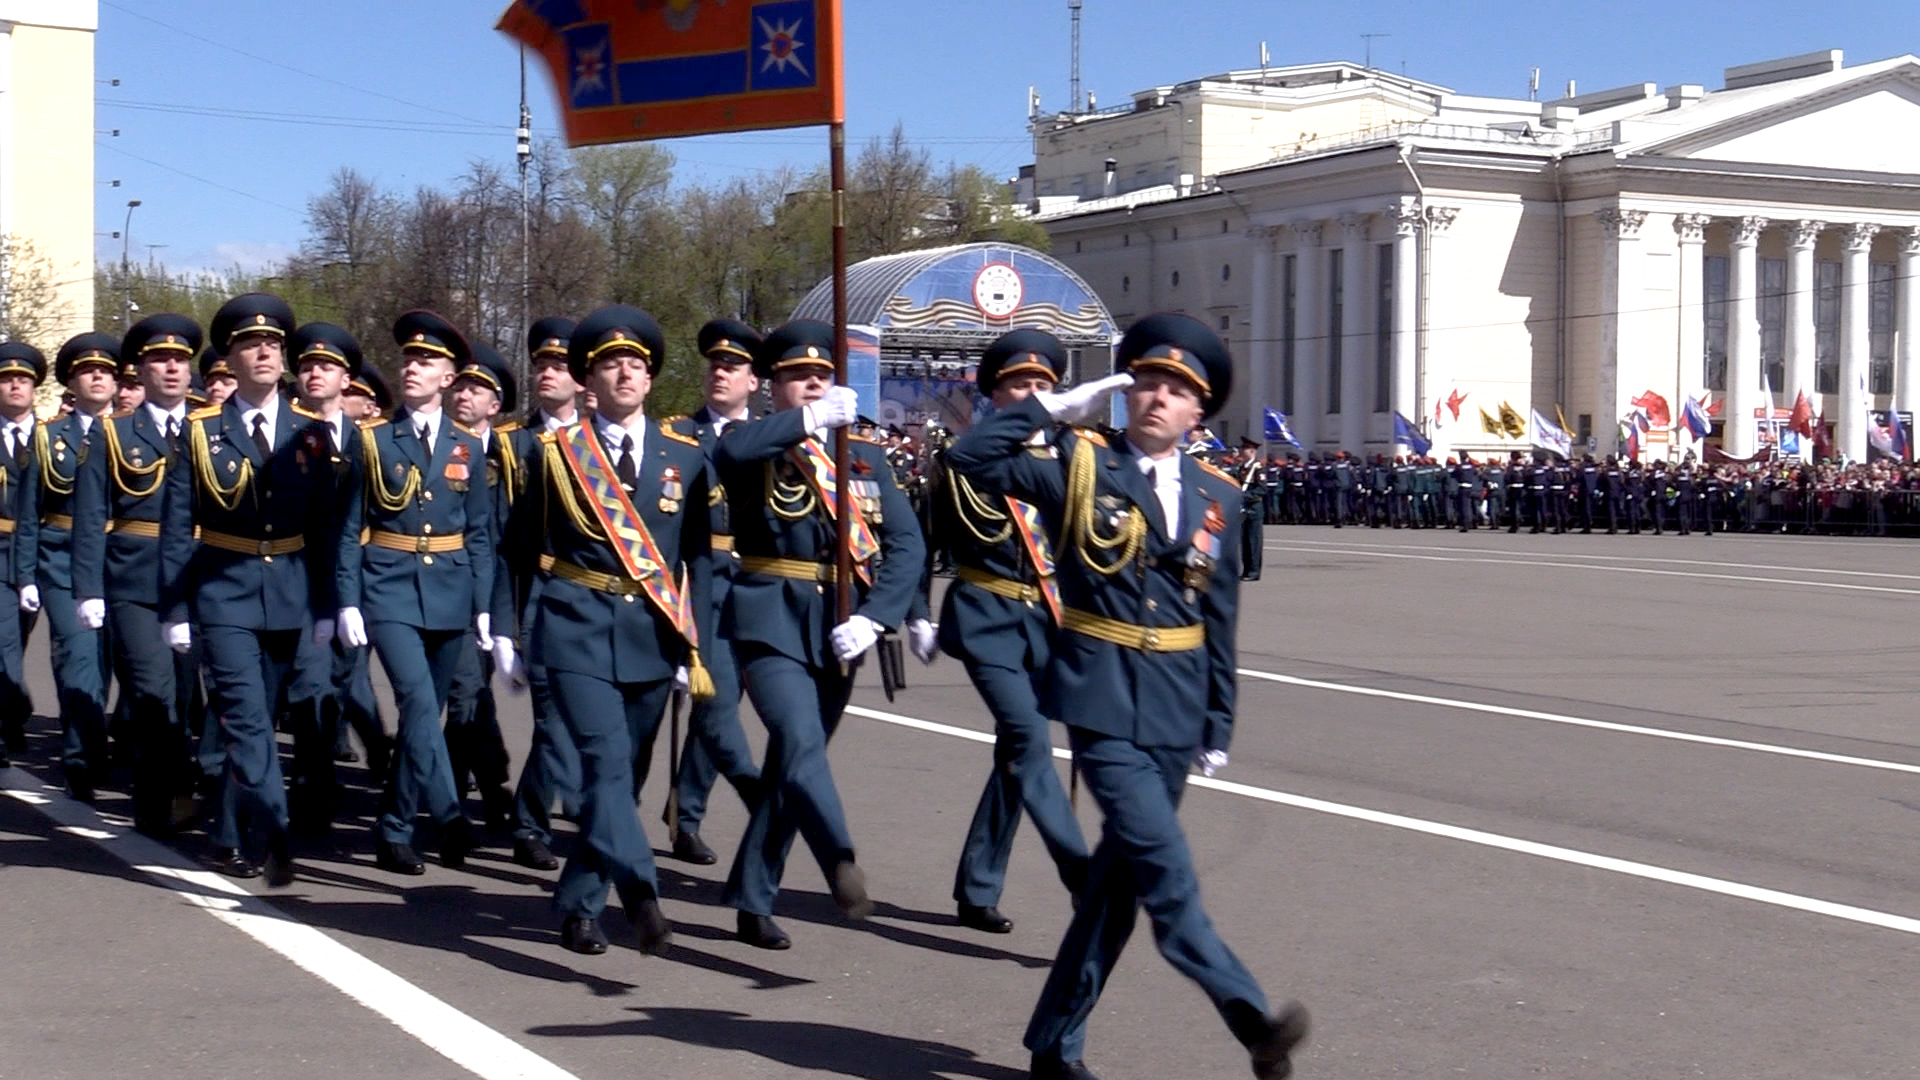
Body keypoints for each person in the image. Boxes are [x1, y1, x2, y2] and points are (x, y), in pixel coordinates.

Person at [946, 312, 1308, 1080]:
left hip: (1176, 709)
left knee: (1114, 892)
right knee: (1167, 877)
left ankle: (1054, 1044)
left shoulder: (1217, 496)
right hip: (1102, 702)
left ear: (1198, 411)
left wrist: (1219, 719)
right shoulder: (1080, 465)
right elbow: (969, 458)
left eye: (1176, 389)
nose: (1157, 397)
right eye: (1146, 381)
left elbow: (1219, 618)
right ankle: (1252, 1020)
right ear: (1126, 391)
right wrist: (1049, 409)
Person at [506, 304, 710, 955]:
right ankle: (642, 895)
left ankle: (578, 904)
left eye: (635, 364)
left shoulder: (686, 457)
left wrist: (695, 644)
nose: (624, 373)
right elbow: (519, 549)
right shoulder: (556, 454)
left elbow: (699, 559)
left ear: (649, 379)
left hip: (652, 634)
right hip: (576, 628)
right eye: (609, 364)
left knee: (625, 778)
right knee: (604, 765)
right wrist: (508, 631)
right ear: (589, 380)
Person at [714, 320, 925, 950]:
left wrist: (876, 616)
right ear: (772, 387)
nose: (812, 384)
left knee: (791, 767)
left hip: (841, 625)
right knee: (799, 740)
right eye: (797, 377)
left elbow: (907, 545)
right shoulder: (755, 444)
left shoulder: (864, 457)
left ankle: (753, 896)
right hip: (768, 619)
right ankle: (839, 857)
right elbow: (730, 455)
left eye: (822, 376)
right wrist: (807, 423)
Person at [159, 293, 332, 884]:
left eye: (273, 344)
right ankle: (275, 830)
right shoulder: (201, 431)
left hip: (289, 593)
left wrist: (330, 604)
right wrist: (175, 608)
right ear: (229, 360)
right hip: (223, 593)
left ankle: (230, 832)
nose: (263, 352)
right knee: (246, 717)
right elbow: (178, 526)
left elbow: (326, 527)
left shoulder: (311, 432)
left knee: (257, 719)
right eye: (250, 345)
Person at [929, 328, 1089, 938]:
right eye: (1019, 384)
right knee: (1028, 737)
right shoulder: (969, 457)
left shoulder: (1078, 459)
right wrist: (912, 612)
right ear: (995, 395)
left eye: (1042, 384)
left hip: (1051, 620)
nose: (1031, 393)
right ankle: (1082, 875)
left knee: (1016, 756)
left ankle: (978, 885)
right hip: (986, 616)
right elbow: (928, 532)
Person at [334, 310, 498, 876]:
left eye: (425, 361)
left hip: (451, 591)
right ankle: (450, 815)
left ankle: (395, 828)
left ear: (447, 378)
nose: (412, 367)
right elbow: (349, 527)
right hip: (389, 587)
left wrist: (483, 606)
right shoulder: (372, 440)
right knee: (420, 703)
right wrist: (348, 599)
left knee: (422, 718)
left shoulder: (467, 445)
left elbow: (479, 534)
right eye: (408, 358)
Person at [73, 315, 204, 837]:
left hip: (198, 577)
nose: (171, 368)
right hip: (136, 580)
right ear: (141, 371)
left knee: (188, 696)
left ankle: (184, 787)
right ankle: (155, 803)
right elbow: (90, 515)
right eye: (159, 360)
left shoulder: (211, 429)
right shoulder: (114, 433)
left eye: (180, 360)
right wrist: (88, 589)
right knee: (152, 692)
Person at [664, 318, 766, 867]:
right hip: (701, 580)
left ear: (754, 380)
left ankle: (686, 813)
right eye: (715, 366)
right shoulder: (678, 434)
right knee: (717, 702)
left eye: (733, 367)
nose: (720, 374)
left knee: (720, 706)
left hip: (759, 582)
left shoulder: (772, 436)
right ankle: (754, 799)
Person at [19, 331, 119, 801]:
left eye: (105, 371)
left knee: (111, 664)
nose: (97, 377)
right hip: (61, 560)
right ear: (71, 383)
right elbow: (28, 512)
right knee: (79, 657)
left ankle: (106, 744)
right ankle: (81, 759)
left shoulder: (133, 432)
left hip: (118, 561)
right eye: (86, 371)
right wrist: (25, 575)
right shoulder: (48, 438)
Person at [507, 316, 584, 872]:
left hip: (596, 598)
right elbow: (498, 536)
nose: (547, 373)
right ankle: (530, 823)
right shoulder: (513, 443)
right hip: (538, 589)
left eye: (558, 365)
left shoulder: (600, 439)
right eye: (541, 365)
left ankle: (579, 801)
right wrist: (499, 623)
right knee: (554, 717)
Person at [442, 342, 520, 832]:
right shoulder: (436, 445)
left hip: (497, 592)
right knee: (465, 693)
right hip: (446, 588)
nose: (464, 394)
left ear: (495, 405)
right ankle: (474, 790)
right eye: (461, 386)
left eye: (477, 389)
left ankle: (478, 785)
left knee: (472, 695)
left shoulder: (511, 455)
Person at [0, 343, 46, 765]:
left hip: (43, 551)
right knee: (5, 639)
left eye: (23, 380)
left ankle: (11, 707)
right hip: (0, 550)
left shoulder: (52, 437)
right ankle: (9, 715)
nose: (16, 385)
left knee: (22, 633)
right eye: (7, 379)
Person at [1237, 439, 1266, 578]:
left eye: (1245, 449)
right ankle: (1246, 569)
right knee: (1244, 541)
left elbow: (1262, 489)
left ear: (1252, 451)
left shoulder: (1258, 468)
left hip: (1254, 508)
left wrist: (1245, 496)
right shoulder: (1242, 467)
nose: (1242, 451)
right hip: (1243, 509)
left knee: (1254, 541)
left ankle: (1254, 571)